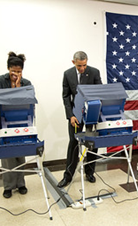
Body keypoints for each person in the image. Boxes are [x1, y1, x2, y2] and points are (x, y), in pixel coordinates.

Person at [57, 51, 102, 188]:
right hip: (75, 115)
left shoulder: (94, 72)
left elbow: (99, 92)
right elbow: (66, 97)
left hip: (91, 114)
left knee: (92, 142)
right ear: (73, 62)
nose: (82, 69)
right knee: (73, 142)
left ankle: (90, 172)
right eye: (79, 66)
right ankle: (68, 176)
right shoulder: (68, 74)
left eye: (84, 65)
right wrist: (71, 115)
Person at [0, 51, 31, 198]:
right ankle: (8, 186)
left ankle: (21, 184)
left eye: (19, 71)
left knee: (20, 154)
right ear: (8, 68)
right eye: (13, 71)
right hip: (4, 122)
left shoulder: (26, 83)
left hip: (22, 121)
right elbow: (0, 101)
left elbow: (26, 102)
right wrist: (13, 88)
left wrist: (18, 86)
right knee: (7, 156)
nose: (16, 73)